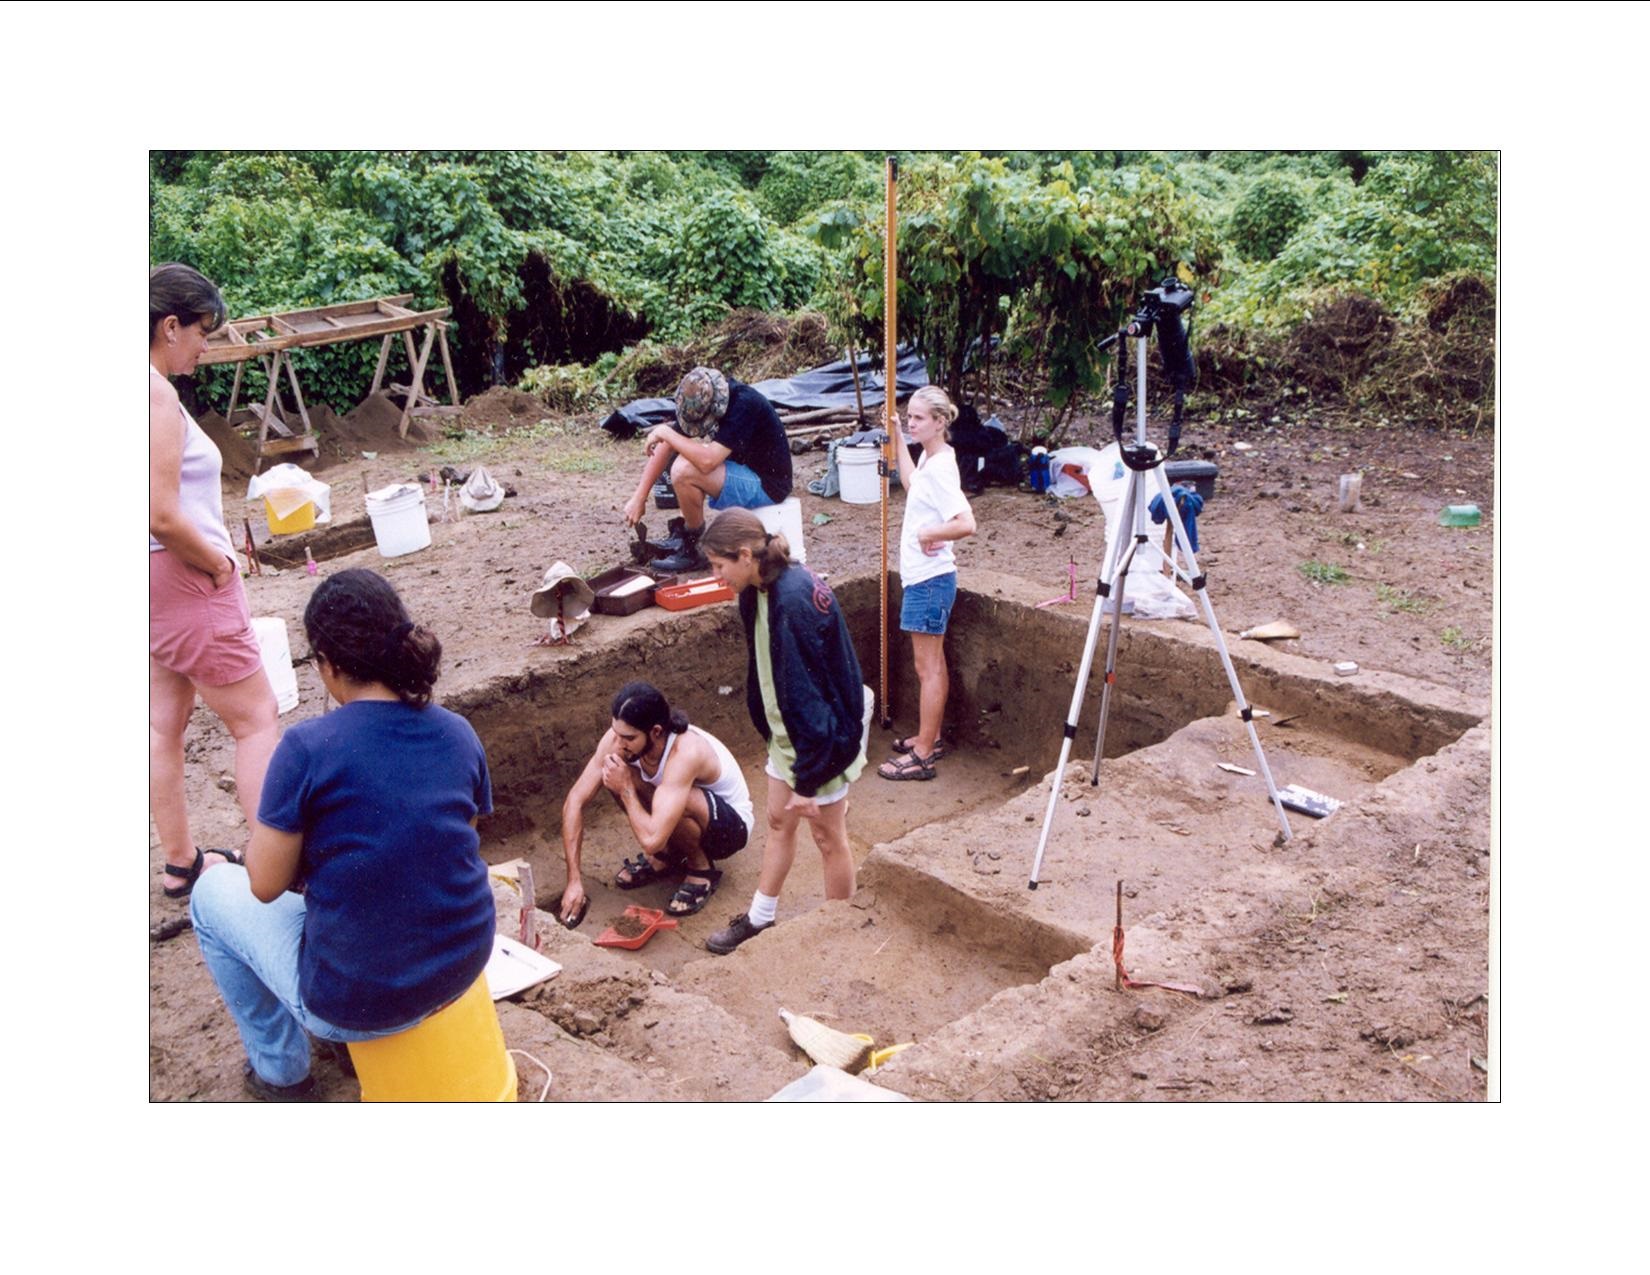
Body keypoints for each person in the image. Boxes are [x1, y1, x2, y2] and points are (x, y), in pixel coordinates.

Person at [190, 569, 496, 1101]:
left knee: (211, 891)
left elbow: (264, 885)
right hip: (463, 963)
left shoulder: (306, 747)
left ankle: (281, 1074)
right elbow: (454, 842)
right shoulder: (457, 731)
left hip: (361, 1001)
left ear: (328, 663)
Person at [149, 263, 281, 900]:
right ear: (170, 326)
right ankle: (273, 868)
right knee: (256, 718)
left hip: (148, 584)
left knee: (162, 723)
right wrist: (219, 564)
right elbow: (161, 514)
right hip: (185, 578)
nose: (205, 345)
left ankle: (181, 863)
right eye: (203, 331)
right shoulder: (152, 393)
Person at [699, 509, 869, 955]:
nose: (716, 576)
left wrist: (808, 781)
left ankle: (839, 931)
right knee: (778, 822)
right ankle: (761, 917)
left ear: (744, 555)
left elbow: (812, 697)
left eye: (718, 565)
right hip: (789, 736)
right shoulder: (757, 590)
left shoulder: (793, 601)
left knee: (828, 838)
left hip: (822, 741)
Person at [558, 682, 754, 925]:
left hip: (729, 830)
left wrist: (626, 788)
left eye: (628, 738)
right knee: (614, 771)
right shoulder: (618, 739)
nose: (618, 743)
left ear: (656, 732)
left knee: (663, 793)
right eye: (616, 733)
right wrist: (574, 881)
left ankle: (701, 869)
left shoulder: (685, 752)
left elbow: (651, 841)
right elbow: (574, 801)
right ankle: (667, 857)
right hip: (676, 813)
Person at [879, 386, 976, 781]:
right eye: (910, 417)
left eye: (919, 418)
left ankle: (922, 755)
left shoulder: (940, 470)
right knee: (932, 665)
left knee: (928, 668)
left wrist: (929, 532)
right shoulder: (931, 459)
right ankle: (929, 737)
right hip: (925, 578)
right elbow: (911, 482)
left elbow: (966, 523)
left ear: (939, 422)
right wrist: (898, 436)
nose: (912, 422)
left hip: (930, 580)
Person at [623, 366, 792, 572]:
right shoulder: (704, 397)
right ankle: (684, 534)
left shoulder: (744, 404)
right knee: (684, 456)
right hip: (744, 468)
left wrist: (666, 433)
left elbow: (708, 461)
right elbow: (667, 445)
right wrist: (639, 497)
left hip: (768, 485)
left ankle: (693, 547)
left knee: (684, 470)